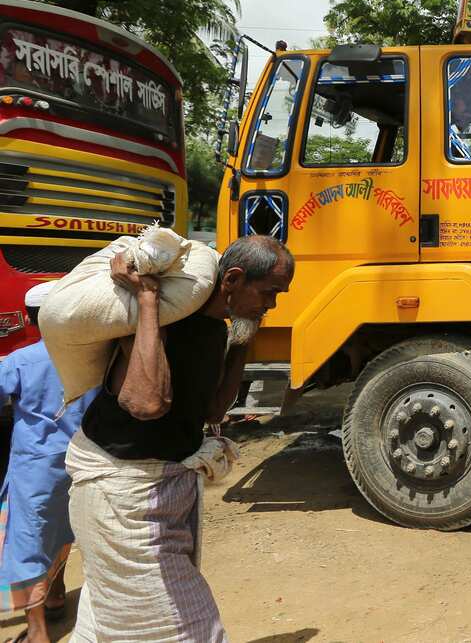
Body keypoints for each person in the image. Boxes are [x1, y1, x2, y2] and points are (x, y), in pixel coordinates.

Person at [67, 234, 294, 642]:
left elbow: (213, 411)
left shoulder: (212, 330)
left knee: (113, 619)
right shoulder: (167, 319)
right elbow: (146, 403)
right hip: (121, 494)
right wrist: (149, 300)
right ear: (234, 279)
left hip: (158, 491)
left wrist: (246, 335)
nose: (272, 304)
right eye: (268, 293)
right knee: (185, 628)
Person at [0, 283, 98, 643]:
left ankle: (37, 632)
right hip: (81, 460)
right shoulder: (92, 357)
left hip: (34, 468)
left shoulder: (21, 361)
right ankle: (57, 595)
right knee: (64, 530)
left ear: (29, 318)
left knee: (29, 542)